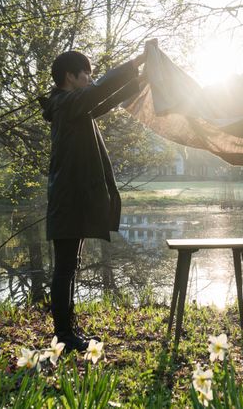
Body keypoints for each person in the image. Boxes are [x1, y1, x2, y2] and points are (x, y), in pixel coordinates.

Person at [38, 42, 152, 351]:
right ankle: (63, 334)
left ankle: (67, 329)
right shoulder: (65, 104)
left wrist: (140, 79)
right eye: (86, 75)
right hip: (67, 199)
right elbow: (98, 93)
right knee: (64, 268)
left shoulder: (71, 106)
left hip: (70, 198)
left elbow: (103, 101)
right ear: (70, 77)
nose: (90, 79)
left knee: (68, 266)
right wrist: (137, 60)